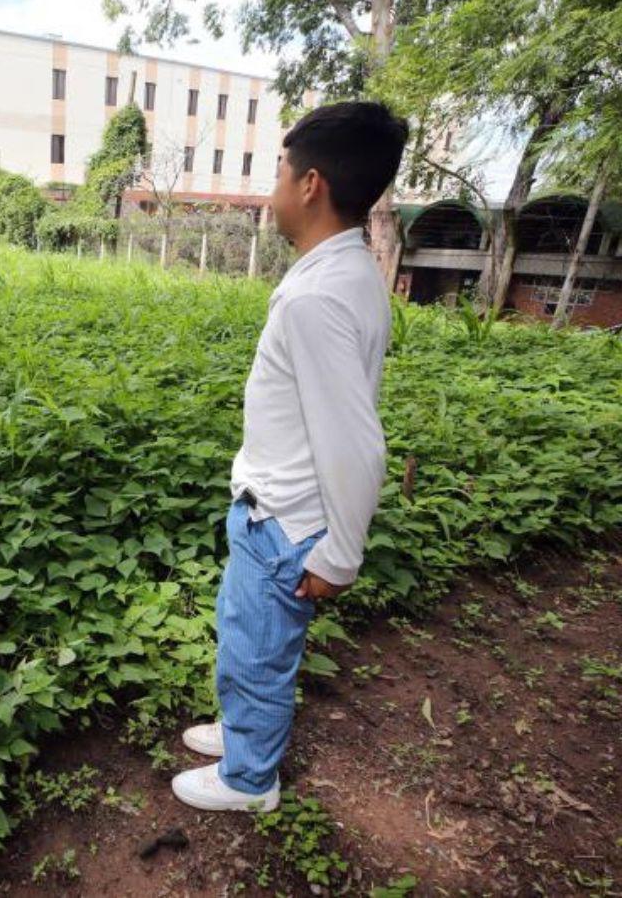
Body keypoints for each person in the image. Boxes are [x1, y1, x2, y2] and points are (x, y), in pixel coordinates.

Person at [171, 101, 409, 812]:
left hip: (284, 523)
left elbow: (355, 440)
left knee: (258, 655)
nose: (271, 186)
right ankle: (242, 732)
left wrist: (340, 555)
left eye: (278, 169)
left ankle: (250, 780)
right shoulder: (347, 273)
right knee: (246, 640)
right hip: (275, 514)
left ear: (310, 184)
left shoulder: (318, 297)